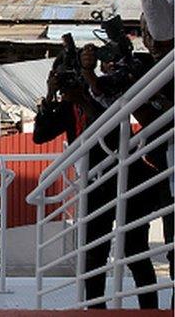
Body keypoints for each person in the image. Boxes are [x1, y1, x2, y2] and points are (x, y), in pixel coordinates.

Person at [34, 53, 159, 309]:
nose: (67, 84)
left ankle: (150, 309)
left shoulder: (104, 92)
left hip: (129, 180)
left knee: (135, 250)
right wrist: (49, 95)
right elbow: (40, 135)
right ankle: (96, 310)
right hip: (94, 185)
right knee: (93, 255)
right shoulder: (68, 107)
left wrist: (83, 97)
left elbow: (111, 131)